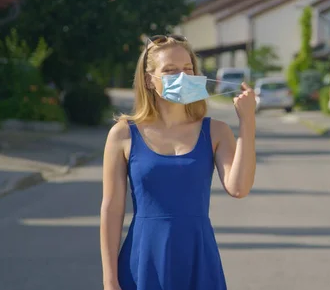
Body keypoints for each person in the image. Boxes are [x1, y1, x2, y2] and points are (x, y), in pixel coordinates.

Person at [100, 35, 257, 290]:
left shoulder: (216, 131)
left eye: (188, 69)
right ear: (149, 79)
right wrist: (109, 280)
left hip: (198, 256)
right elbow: (111, 209)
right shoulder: (123, 134)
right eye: (170, 70)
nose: (182, 77)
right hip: (143, 257)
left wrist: (247, 122)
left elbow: (239, 188)